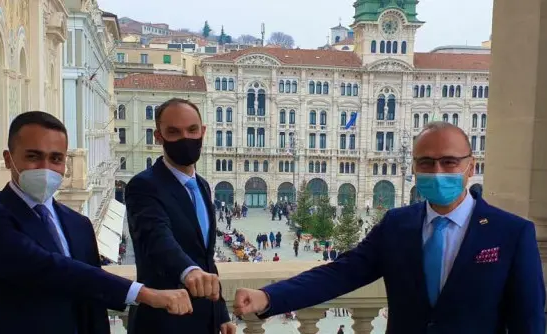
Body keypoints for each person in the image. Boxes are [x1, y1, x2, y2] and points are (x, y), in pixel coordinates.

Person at [233, 122, 546, 333]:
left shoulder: (511, 233)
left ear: (470, 166)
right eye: (426, 162)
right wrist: (268, 297)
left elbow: (529, 321)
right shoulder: (398, 225)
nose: (437, 171)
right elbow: (340, 273)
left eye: (449, 162)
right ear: (413, 166)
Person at [0, 112, 192, 334]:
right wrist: (142, 293)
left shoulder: (78, 223)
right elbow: (46, 268)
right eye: (33, 156)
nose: (46, 168)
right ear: (9, 159)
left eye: (56, 159)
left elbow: (91, 301)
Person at [125, 99, 235, 334]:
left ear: (203, 132)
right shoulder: (143, 186)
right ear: (158, 136)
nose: (185, 138)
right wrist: (188, 271)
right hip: (164, 322)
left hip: (206, 323)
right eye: (174, 132)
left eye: (192, 130)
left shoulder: (202, 186)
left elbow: (206, 260)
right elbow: (156, 237)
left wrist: (220, 314)